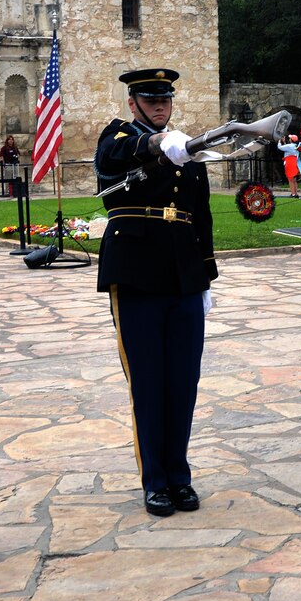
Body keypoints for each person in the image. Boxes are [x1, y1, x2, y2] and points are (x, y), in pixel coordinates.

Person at [94, 68, 218, 516]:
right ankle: (156, 480)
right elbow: (112, 159)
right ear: (133, 103)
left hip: (184, 274)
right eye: (150, 99)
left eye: (165, 98)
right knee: (148, 382)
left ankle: (179, 474)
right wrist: (155, 146)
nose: (160, 105)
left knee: (183, 381)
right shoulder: (119, 134)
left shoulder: (185, 148)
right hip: (136, 271)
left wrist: (207, 276)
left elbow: (200, 216)